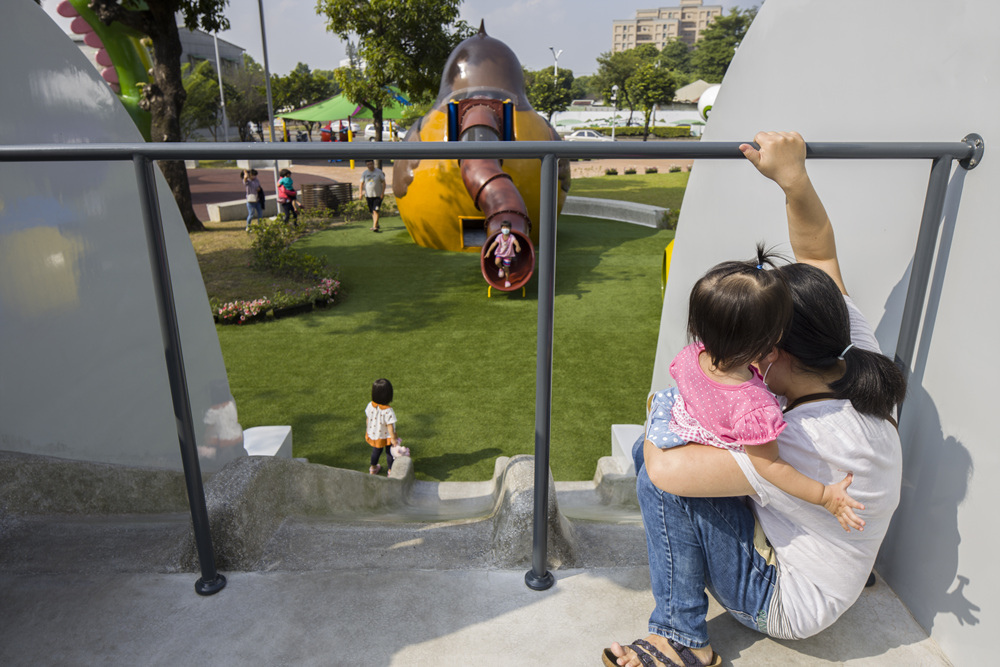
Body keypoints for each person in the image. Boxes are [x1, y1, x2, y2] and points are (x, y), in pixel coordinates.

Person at [604, 131, 907, 667]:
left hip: (788, 602)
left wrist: (666, 406)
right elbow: (818, 251)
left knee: (653, 469)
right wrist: (793, 179)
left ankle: (681, 638)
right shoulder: (849, 345)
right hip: (839, 562)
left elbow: (668, 472)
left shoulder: (795, 437)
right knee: (678, 452)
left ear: (770, 352)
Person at [647, 246, 864, 531]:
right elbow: (770, 466)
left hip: (675, 429)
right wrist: (824, 496)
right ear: (770, 345)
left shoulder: (691, 356)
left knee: (647, 472)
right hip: (709, 473)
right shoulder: (754, 407)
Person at [365, 378, 401, 475]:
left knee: (376, 451)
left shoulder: (370, 405)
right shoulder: (388, 411)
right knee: (389, 453)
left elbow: (368, 419)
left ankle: (373, 468)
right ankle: (390, 471)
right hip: (387, 436)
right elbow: (390, 427)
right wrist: (393, 439)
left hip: (375, 434)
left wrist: (369, 430)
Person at [483, 221, 521, 288]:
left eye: (507, 227)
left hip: (508, 255)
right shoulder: (499, 236)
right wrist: (488, 251)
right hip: (499, 253)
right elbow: (494, 244)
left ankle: (507, 281)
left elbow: (515, 241)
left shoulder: (511, 237)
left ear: (510, 228)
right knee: (497, 262)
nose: (505, 229)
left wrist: (518, 246)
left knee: (507, 269)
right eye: (504, 227)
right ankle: (501, 268)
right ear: (501, 229)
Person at [360, 160, 386, 232]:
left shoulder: (379, 172)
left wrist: (382, 193)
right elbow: (361, 183)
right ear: (366, 165)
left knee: (376, 210)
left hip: (377, 195)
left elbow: (384, 182)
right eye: (368, 165)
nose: (370, 166)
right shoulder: (365, 173)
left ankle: (374, 226)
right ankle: (376, 224)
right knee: (372, 211)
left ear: (373, 164)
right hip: (368, 195)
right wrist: (360, 193)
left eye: (371, 164)